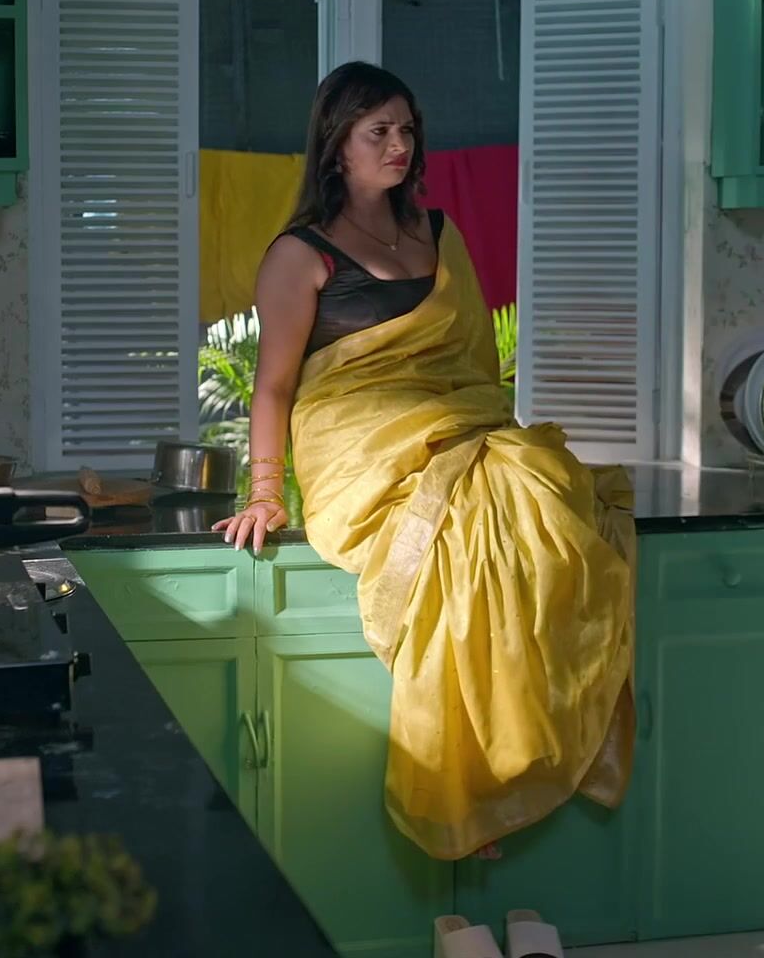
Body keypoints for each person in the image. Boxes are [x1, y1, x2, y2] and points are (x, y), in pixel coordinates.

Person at [212, 61, 637, 863]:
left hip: (457, 425)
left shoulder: (439, 234)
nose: (399, 144)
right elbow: (273, 388)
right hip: (359, 447)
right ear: (336, 144)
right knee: (477, 522)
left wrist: (475, 429)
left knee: (542, 490)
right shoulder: (300, 255)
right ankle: (470, 783)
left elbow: (472, 365)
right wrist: (266, 494)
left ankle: (518, 748)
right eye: (379, 131)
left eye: (407, 129)